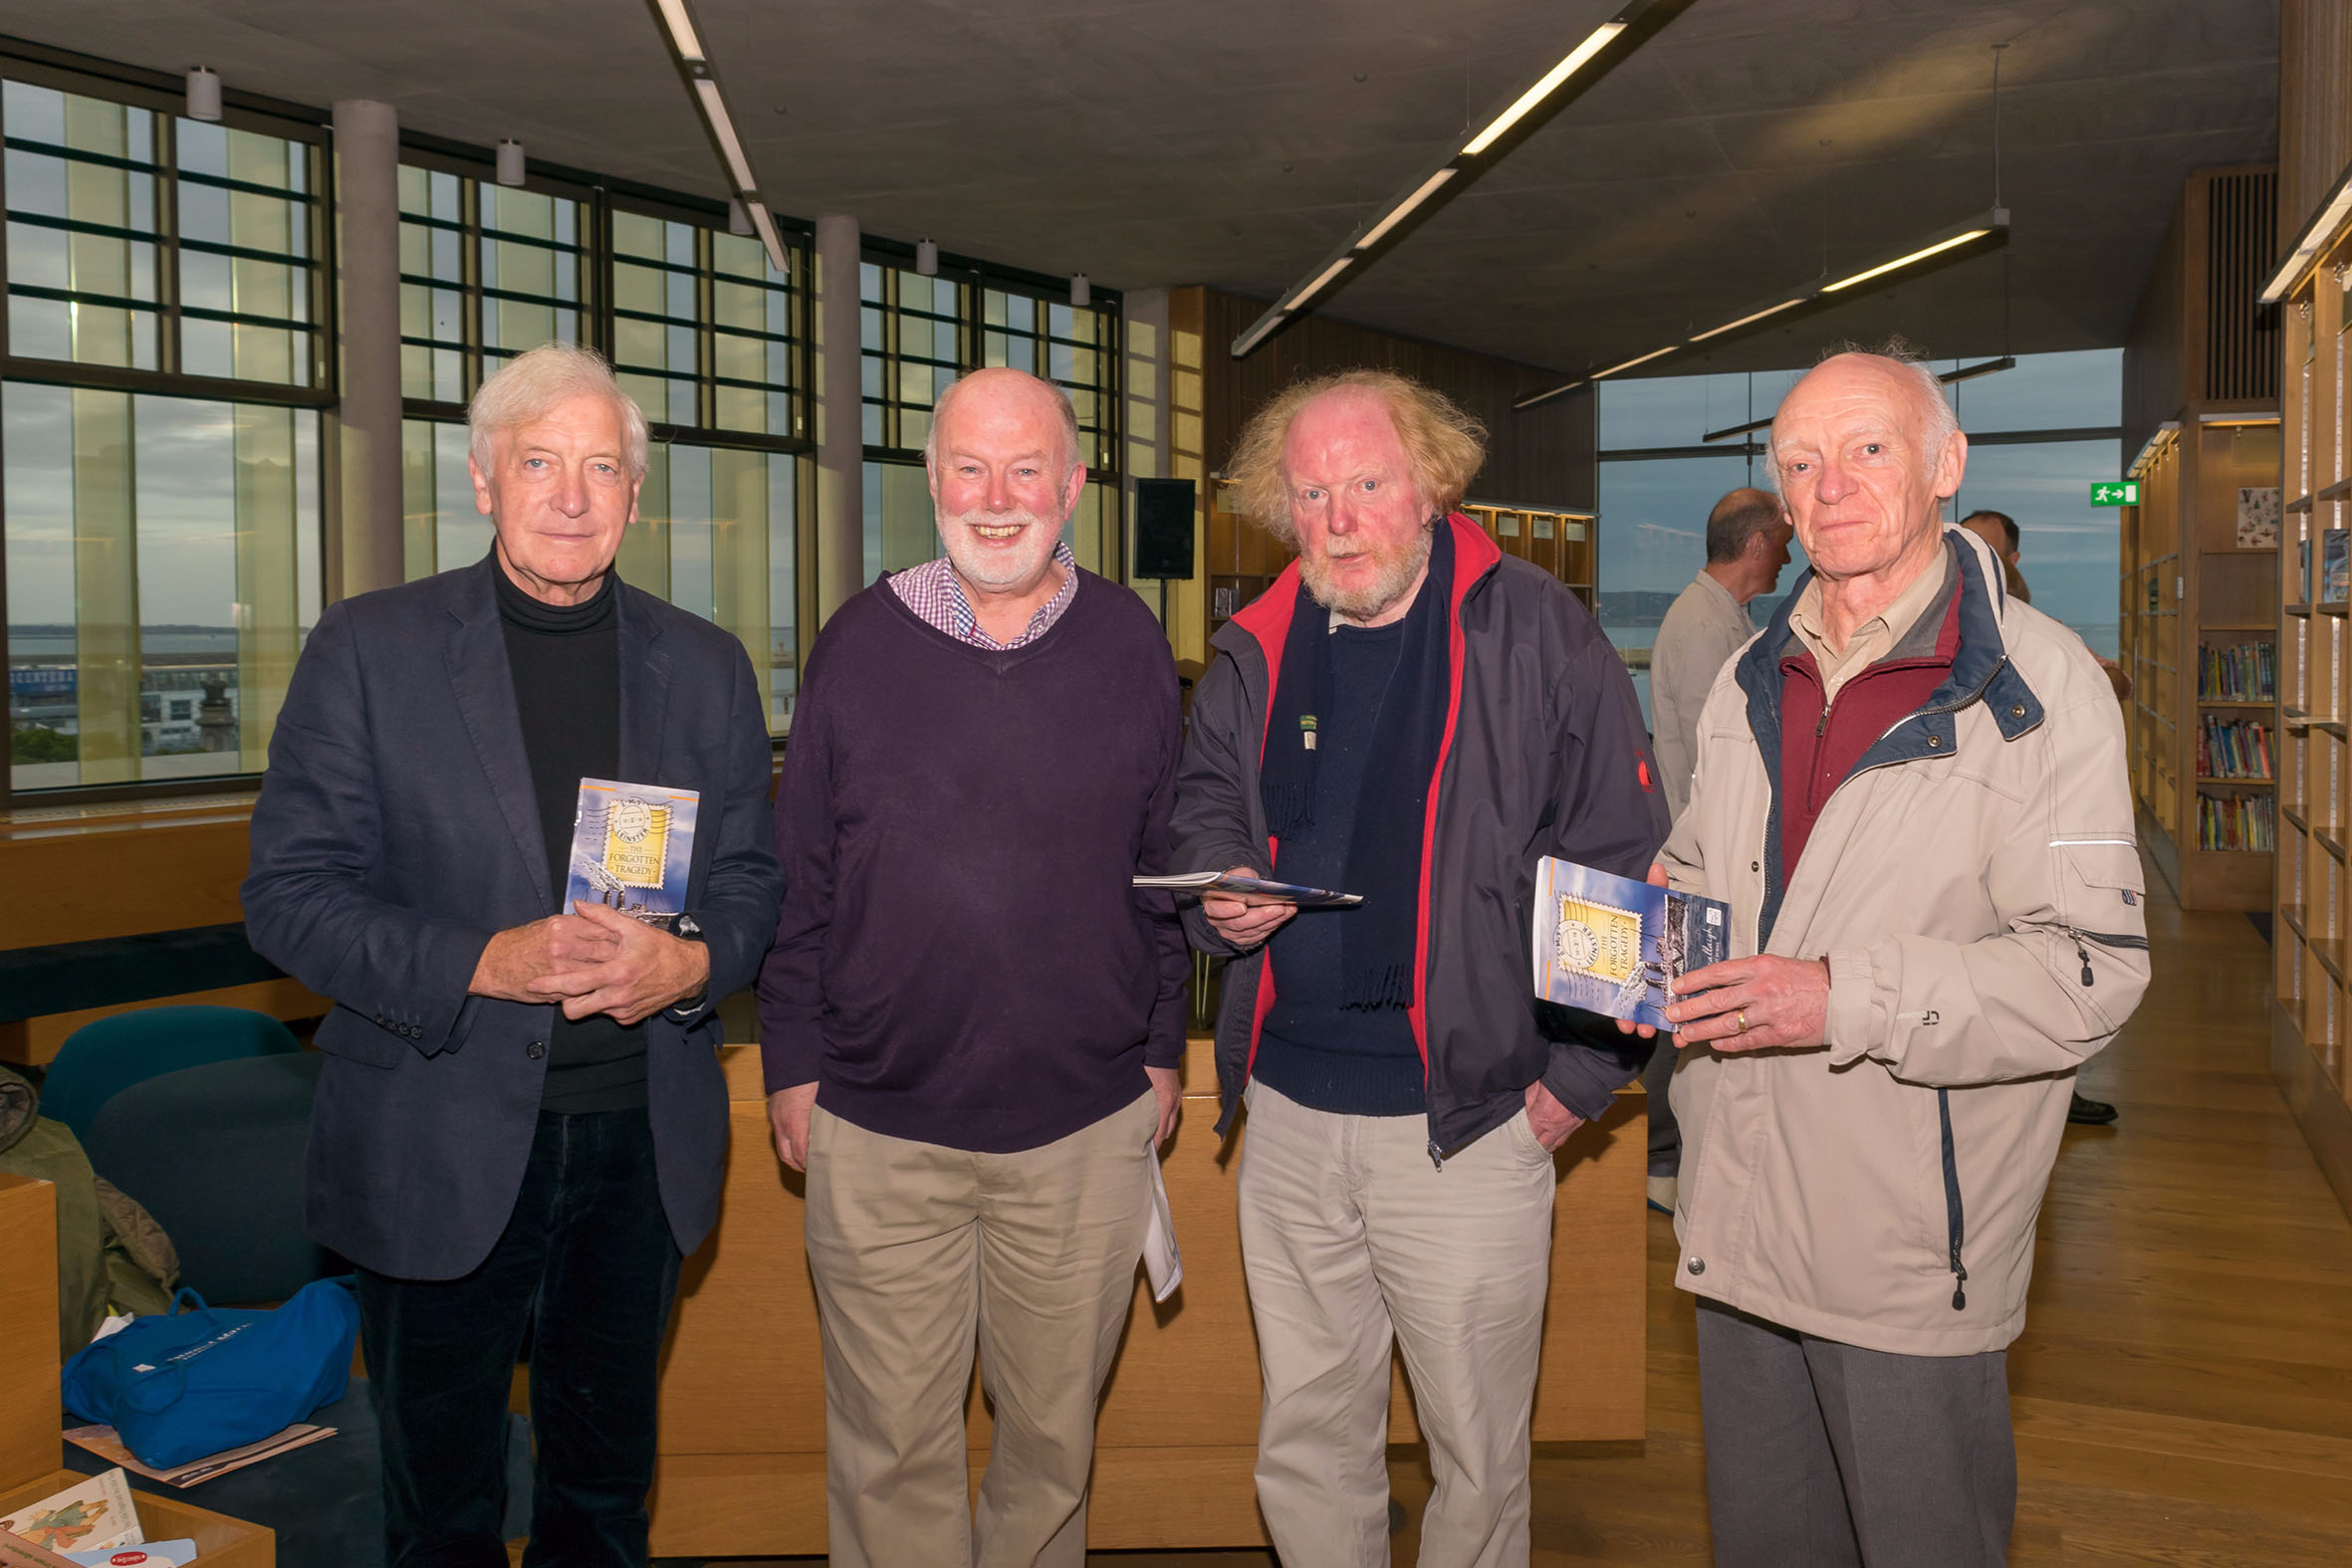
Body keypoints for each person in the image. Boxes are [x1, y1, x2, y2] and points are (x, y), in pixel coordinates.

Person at [242, 343, 785, 1567]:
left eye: (602, 468)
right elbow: (287, 897)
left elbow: (753, 879)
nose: (572, 497)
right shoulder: (370, 648)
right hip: (436, 1139)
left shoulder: (704, 665)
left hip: (637, 1149)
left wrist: (694, 966)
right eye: (539, 463)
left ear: (636, 494)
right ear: (484, 480)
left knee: (603, 1506)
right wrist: (480, 962)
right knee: (443, 1518)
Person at [1644, 346, 2150, 1567]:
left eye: (1867, 450)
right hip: (1735, 1216)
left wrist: (1842, 996)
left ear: (1944, 463)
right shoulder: (1748, 676)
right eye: (1800, 462)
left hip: (1906, 1249)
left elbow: (2088, 971)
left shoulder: (2040, 688)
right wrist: (1657, 930)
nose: (1830, 487)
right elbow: (1705, 868)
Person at [1171, 368, 1666, 1568]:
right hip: (1286, 1116)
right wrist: (1220, 883)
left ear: (1432, 485)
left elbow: (1621, 858)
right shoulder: (1255, 644)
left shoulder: (1536, 633)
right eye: (1311, 495)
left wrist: (1581, 1077)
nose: (1338, 520)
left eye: (1367, 485)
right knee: (1306, 1442)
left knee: (1477, 1461)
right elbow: (1204, 803)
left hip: (1469, 1127)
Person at [757, 365, 1188, 1568]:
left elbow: (1159, 866)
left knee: (1049, 1452)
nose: (996, 498)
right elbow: (801, 878)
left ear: (1073, 485)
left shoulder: (1129, 644)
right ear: (931, 480)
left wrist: (1162, 1044)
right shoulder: (856, 645)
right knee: (889, 1455)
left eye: (1024, 469)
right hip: (877, 1127)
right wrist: (791, 1061)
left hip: (1082, 1129)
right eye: (969, 468)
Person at [1641, 487, 1793, 1213]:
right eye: (1782, 544)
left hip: (1708, 851)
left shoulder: (1721, 616)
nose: (1788, 558)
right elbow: (1727, 758)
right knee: (1681, 1015)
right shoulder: (1704, 625)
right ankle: (1660, 1160)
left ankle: (1669, 1157)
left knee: (1691, 1008)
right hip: (1697, 854)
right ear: (1757, 543)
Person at [1958, 508, 2118, 1126]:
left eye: (1988, 550)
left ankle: (2048, 1093)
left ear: (2013, 563)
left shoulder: (2043, 642)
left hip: (2027, 836)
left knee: (2035, 959)